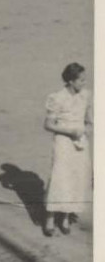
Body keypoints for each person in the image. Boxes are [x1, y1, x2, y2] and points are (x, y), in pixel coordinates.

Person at [43, 62, 91, 237]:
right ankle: (49, 217)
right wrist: (69, 131)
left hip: (80, 142)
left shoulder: (85, 96)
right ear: (70, 81)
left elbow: (89, 120)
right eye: (81, 80)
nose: (84, 83)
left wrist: (85, 132)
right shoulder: (57, 97)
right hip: (63, 140)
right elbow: (48, 124)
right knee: (59, 178)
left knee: (76, 178)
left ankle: (65, 217)